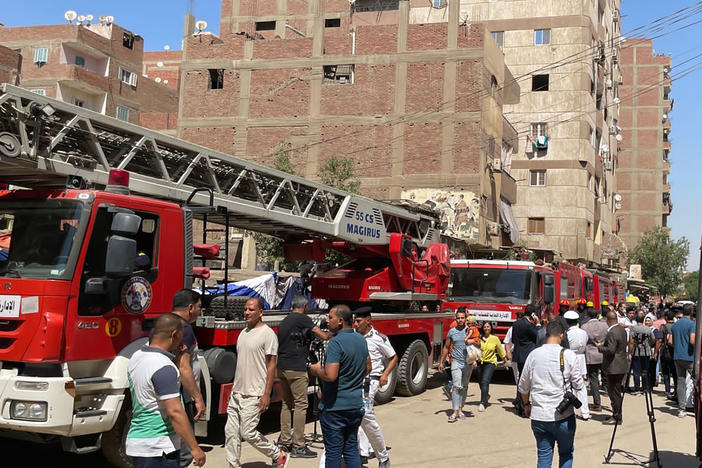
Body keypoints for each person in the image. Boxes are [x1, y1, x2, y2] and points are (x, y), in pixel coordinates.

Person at [126, 313, 206, 468]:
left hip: (139, 442)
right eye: (182, 335)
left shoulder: (136, 356)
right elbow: (174, 411)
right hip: (158, 446)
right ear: (175, 334)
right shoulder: (163, 367)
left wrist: (175, 360)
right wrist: (195, 448)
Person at [224, 298, 288, 468]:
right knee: (230, 433)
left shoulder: (268, 334)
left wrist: (266, 394)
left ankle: (278, 454)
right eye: (245, 309)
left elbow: (271, 365)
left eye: (251, 310)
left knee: (248, 432)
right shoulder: (243, 332)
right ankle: (233, 465)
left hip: (255, 393)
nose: (246, 312)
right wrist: (234, 388)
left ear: (261, 312)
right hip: (238, 392)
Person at [309, 305, 370, 468]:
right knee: (351, 449)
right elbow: (368, 368)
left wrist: (315, 370)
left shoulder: (336, 343)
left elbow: (330, 375)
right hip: (355, 405)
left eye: (330, 317)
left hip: (335, 408)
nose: (327, 320)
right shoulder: (361, 340)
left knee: (334, 451)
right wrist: (352, 380)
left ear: (341, 321)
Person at [518, 321, 584, 468]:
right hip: (563, 416)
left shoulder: (534, 355)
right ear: (562, 335)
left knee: (544, 455)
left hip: (539, 415)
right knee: (566, 454)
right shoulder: (568, 355)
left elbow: (523, 386)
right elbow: (579, 385)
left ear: (546, 335)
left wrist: (526, 404)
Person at [276, 295, 332, 458]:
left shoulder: (285, 321)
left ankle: (285, 442)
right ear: (305, 306)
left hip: (282, 366)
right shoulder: (303, 319)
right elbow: (323, 336)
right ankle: (299, 445)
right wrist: (333, 331)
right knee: (301, 404)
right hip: (296, 368)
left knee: (286, 404)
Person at [166, 290, 206, 468]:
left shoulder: (163, 325)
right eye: (199, 307)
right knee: (185, 453)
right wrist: (198, 398)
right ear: (190, 308)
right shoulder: (184, 329)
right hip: (181, 396)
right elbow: (184, 367)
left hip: (168, 394)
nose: (200, 311)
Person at [354, 308, 397, 468]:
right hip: (356, 382)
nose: (356, 324)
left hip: (370, 383)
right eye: (355, 321)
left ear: (368, 320)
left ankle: (383, 457)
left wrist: (385, 374)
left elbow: (393, 357)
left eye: (359, 321)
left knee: (366, 416)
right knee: (360, 417)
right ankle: (363, 452)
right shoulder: (354, 335)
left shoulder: (379, 338)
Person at [438, 309, 476, 422]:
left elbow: (478, 343)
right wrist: (441, 362)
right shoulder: (452, 332)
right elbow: (446, 347)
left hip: (468, 362)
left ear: (465, 319)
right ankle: (454, 411)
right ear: (456, 319)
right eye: (458, 318)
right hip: (456, 362)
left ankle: (460, 409)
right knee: (456, 386)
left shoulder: (471, 330)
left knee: (464, 387)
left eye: (462, 318)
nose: (460, 320)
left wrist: (475, 357)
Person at [596, 311, 629, 425]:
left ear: (607, 321)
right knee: (616, 391)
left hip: (614, 367)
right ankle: (616, 414)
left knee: (614, 393)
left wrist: (600, 347)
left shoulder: (612, 332)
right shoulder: (622, 330)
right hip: (621, 365)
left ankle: (617, 416)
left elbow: (610, 350)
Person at [512, 304, 539, 416]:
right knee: (527, 381)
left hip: (518, 355)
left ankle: (519, 404)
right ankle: (524, 407)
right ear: (532, 314)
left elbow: (513, 339)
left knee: (521, 380)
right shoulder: (529, 325)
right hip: (528, 355)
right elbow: (538, 335)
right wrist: (537, 323)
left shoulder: (516, 324)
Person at [670, 304, 696, 418]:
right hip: (689, 357)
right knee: (697, 380)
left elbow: (670, 341)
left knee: (680, 382)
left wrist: (678, 347)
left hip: (677, 356)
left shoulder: (675, 325)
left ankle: (681, 409)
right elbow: (692, 340)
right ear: (690, 311)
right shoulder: (692, 324)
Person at [564, 310, 589, 421]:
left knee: (569, 385)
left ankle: (570, 411)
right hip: (581, 358)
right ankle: (585, 412)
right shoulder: (583, 332)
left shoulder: (567, 334)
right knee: (581, 386)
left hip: (570, 358)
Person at [582, 308, 608, 412]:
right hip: (603, 353)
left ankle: (597, 404)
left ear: (588, 316)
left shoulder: (584, 327)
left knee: (593, 379)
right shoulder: (605, 325)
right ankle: (609, 395)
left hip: (591, 355)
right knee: (606, 375)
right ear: (598, 316)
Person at [477, 321, 506, 412]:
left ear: (491, 328)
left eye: (488, 326)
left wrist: (505, 360)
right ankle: (486, 395)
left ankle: (483, 402)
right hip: (479, 362)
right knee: (480, 382)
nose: (486, 328)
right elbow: (474, 349)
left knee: (485, 381)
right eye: (485, 327)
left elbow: (500, 350)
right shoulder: (479, 338)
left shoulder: (495, 338)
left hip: (490, 363)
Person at [628, 313, 655, 395]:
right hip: (646, 352)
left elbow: (631, 342)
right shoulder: (647, 329)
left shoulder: (633, 329)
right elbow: (653, 339)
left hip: (636, 352)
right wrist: (649, 345)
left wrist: (629, 352)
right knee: (645, 371)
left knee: (636, 371)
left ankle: (637, 388)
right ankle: (645, 388)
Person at [657, 310, 677, 400]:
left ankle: (667, 390)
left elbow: (660, 340)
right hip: (675, 352)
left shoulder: (663, 327)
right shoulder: (676, 326)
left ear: (665, 317)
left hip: (665, 352)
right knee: (675, 372)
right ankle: (676, 390)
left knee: (666, 372)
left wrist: (655, 352)